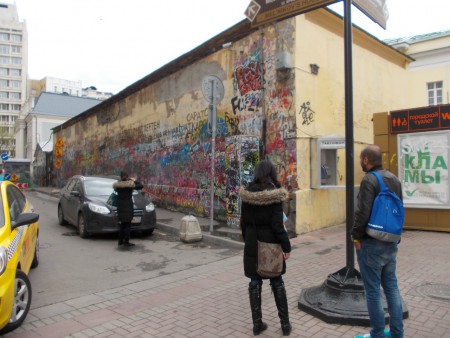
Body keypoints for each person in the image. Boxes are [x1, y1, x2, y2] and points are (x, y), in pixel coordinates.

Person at [352, 145, 404, 338]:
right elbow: (399, 210)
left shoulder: (369, 179)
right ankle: (397, 333)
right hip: (391, 241)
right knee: (391, 287)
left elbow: (362, 212)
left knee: (373, 290)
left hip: (371, 243)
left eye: (360, 159)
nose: (360, 162)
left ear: (366, 160)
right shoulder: (395, 179)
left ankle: (377, 334)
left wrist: (356, 236)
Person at [239, 159, 292, 336]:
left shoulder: (247, 194)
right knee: (277, 280)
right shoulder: (274, 194)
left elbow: (243, 222)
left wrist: (248, 239)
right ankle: (285, 325)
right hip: (271, 243)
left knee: (254, 281)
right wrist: (286, 246)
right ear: (271, 173)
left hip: (253, 241)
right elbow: (278, 225)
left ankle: (257, 324)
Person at [113, 171, 143, 247]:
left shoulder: (117, 185)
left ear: (120, 176)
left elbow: (115, 188)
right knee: (127, 225)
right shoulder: (130, 184)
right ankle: (126, 241)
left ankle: (120, 241)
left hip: (120, 207)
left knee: (122, 224)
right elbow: (140, 185)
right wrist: (133, 180)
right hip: (128, 207)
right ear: (126, 176)